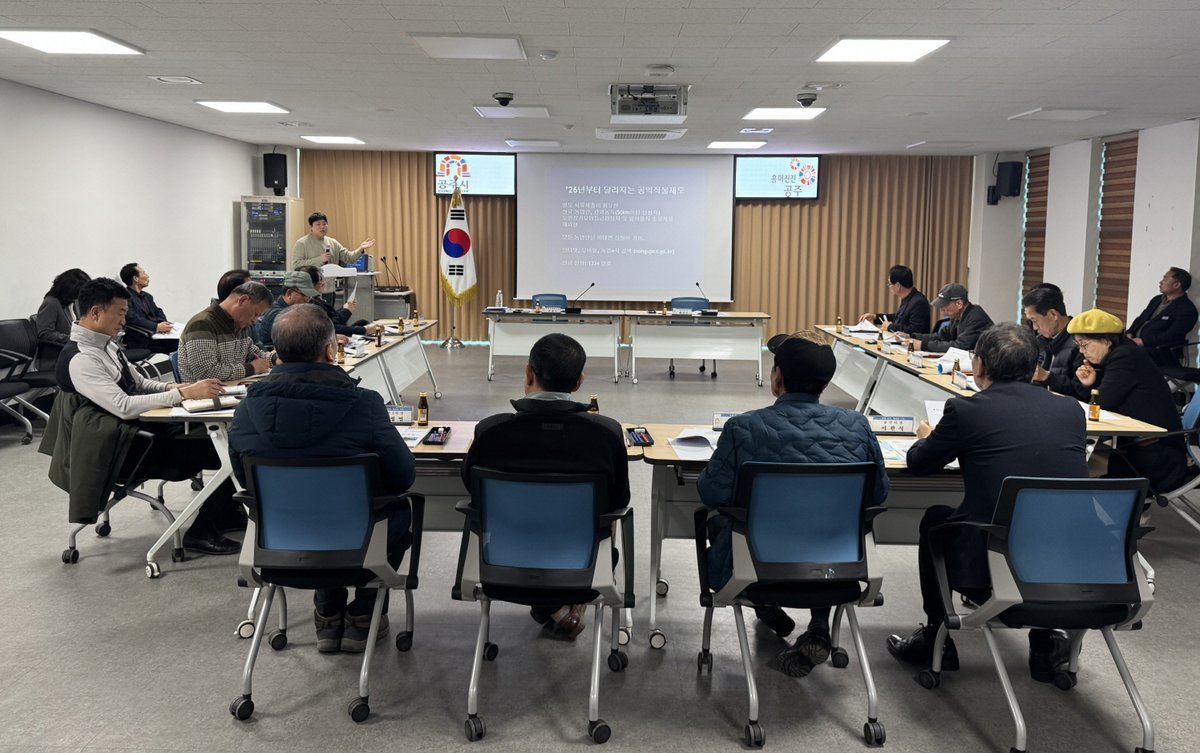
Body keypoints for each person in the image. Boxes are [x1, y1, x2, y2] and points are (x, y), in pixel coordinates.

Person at [886, 323, 1089, 682]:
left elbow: (919, 464)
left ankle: (937, 638)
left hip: (989, 568)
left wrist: (926, 436)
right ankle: (1043, 645)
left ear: (978, 365)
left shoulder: (967, 410)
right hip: (1067, 567)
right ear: (1034, 368)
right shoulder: (1071, 410)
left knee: (936, 519)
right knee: (1044, 516)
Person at [697, 333, 888, 678]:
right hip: (836, 571)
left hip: (758, 571)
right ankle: (818, 627)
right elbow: (878, 494)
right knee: (820, 527)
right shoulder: (858, 427)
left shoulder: (743, 427)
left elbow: (712, 493)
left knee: (720, 522)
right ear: (825, 383)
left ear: (777, 377)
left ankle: (765, 605)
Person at [229, 304, 416, 653]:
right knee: (394, 511)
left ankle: (328, 615)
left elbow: (245, 480)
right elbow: (403, 476)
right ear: (331, 351)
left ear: (277, 353)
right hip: (359, 548)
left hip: (280, 548)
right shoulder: (365, 405)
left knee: (311, 508)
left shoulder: (245, 411)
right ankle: (365, 614)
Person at [50, 277, 243, 554]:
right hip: (122, 447)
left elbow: (138, 383)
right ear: (95, 312)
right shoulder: (82, 358)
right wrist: (182, 395)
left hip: (140, 432)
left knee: (229, 441)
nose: (124, 321)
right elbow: (123, 405)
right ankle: (201, 532)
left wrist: (173, 387)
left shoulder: (105, 345)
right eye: (120, 313)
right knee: (228, 453)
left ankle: (223, 514)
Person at [462, 333, 630, 639]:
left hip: (502, 564)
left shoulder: (490, 433)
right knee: (608, 516)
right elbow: (620, 500)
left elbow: (471, 488)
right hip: (582, 567)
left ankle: (550, 607)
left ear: (529, 373)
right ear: (579, 382)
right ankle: (557, 605)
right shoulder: (605, 435)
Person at [1068, 308, 1200, 494]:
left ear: (1106, 340)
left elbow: (1101, 405)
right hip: (1143, 444)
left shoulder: (1124, 357)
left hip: (1155, 455)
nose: (1082, 352)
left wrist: (1092, 389)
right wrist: (1090, 384)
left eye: (1084, 344)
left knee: (1088, 472)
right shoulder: (1122, 352)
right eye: (1078, 345)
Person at [177, 281, 274, 382]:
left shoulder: (239, 324)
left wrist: (275, 358)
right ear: (243, 300)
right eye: (255, 314)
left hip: (233, 387)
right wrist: (251, 368)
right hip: (205, 391)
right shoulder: (201, 325)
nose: (254, 320)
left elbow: (254, 355)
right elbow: (206, 373)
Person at [1126, 267, 1198, 367]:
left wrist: (1143, 341)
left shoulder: (1187, 309)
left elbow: (1172, 335)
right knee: (1110, 346)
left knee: (1126, 355)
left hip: (1161, 351)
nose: (1161, 282)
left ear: (1177, 285)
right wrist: (1130, 332)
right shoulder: (1157, 300)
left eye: (1165, 279)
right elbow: (1141, 319)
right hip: (1138, 344)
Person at [894, 283, 992, 353]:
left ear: (959, 304)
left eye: (944, 306)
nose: (942, 311)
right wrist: (911, 336)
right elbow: (940, 336)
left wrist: (922, 345)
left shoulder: (976, 318)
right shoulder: (958, 316)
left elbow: (959, 346)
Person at [1021, 285, 1082, 396]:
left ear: (1053, 314)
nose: (1034, 327)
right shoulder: (1041, 340)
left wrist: (1047, 377)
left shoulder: (1081, 343)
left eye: (1035, 320)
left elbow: (1081, 393)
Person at [298, 265, 383, 338]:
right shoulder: (310, 305)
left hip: (333, 333)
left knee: (362, 322)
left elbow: (332, 318)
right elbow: (331, 327)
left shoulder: (317, 299)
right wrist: (364, 329)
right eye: (321, 281)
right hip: (327, 337)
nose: (324, 283)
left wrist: (345, 309)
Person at [35, 268, 90, 368]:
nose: (79, 297)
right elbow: (44, 333)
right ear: (69, 290)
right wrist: (72, 338)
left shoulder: (73, 301)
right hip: (57, 356)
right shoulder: (51, 303)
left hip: (74, 351)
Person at [857, 264, 931, 335]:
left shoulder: (919, 302)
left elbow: (915, 330)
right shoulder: (909, 298)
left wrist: (890, 327)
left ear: (898, 285)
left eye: (890, 284)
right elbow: (898, 317)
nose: (889, 286)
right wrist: (874, 316)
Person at [252, 271, 316, 349]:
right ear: (289, 293)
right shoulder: (280, 315)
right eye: (305, 295)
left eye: (309, 297)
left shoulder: (292, 310)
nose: (307, 300)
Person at [119, 262, 174, 352]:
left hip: (156, 335)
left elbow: (158, 311)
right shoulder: (125, 297)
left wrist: (163, 323)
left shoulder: (147, 296)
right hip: (142, 339)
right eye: (144, 273)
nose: (147, 276)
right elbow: (132, 318)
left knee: (180, 341)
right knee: (176, 344)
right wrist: (156, 327)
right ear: (136, 278)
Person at [292, 212, 375, 270]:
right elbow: (296, 265)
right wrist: (319, 259)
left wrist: (361, 248)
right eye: (318, 224)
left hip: (330, 286)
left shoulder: (333, 242)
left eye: (324, 224)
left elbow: (349, 258)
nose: (322, 227)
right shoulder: (302, 243)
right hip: (310, 287)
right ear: (311, 227)